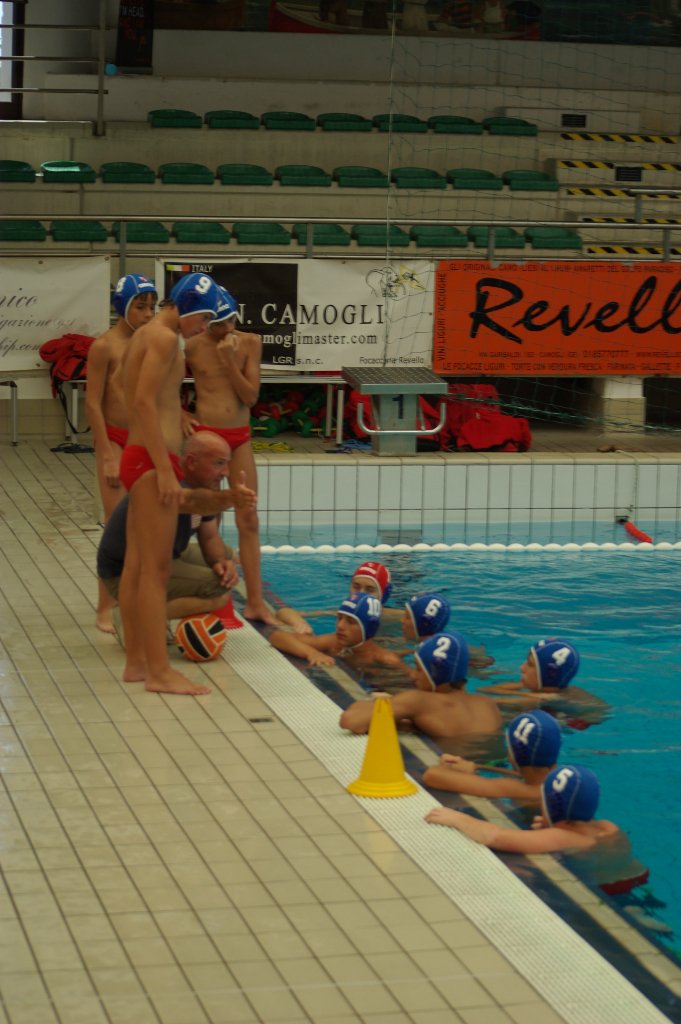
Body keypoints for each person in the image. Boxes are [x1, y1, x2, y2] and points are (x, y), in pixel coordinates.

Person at [117, 271, 222, 696]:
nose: (204, 328)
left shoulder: (145, 335)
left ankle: (136, 663)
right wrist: (164, 468)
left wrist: (174, 416)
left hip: (140, 454)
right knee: (155, 571)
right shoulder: (162, 338)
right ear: (188, 308)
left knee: (136, 565)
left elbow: (139, 393)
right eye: (204, 318)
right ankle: (159, 673)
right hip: (150, 461)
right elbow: (142, 401)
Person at [183, 286, 276, 625]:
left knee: (248, 518)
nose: (226, 329)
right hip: (207, 438)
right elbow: (162, 384)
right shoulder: (192, 345)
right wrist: (179, 413)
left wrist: (229, 363)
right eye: (218, 324)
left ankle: (255, 602)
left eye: (231, 321)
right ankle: (214, 599)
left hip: (238, 439)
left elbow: (250, 397)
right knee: (208, 524)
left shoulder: (250, 343)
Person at [98, 431, 254, 625]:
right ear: (191, 462)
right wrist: (232, 498)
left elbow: (210, 537)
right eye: (219, 463)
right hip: (122, 573)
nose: (226, 472)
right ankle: (131, 618)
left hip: (165, 555)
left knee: (229, 555)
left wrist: (220, 562)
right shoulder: (171, 486)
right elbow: (191, 502)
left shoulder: (203, 487)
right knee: (217, 589)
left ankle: (144, 612)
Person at [85, 273, 158, 633]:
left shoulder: (150, 343)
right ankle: (105, 606)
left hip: (142, 439)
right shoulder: (104, 346)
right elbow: (92, 403)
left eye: (151, 307)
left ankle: (133, 601)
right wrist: (106, 454)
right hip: (114, 440)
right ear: (122, 307)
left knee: (145, 529)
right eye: (140, 307)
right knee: (117, 528)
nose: (148, 314)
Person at [339, 631, 501, 738]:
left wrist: (383, 703)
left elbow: (350, 720)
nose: (412, 675)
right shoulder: (488, 704)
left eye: (418, 669)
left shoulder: (419, 700)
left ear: (435, 675)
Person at [422, 709, 560, 804]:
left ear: (514, 755)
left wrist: (468, 775)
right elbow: (522, 774)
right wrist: (475, 767)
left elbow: (432, 775)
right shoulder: (555, 779)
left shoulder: (517, 789)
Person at [476, 638, 610, 726]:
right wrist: (529, 693)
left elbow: (487, 702)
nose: (522, 667)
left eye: (530, 664)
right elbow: (483, 690)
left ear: (548, 675)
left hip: (567, 719)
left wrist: (534, 697)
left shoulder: (544, 699)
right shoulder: (545, 691)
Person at [269, 592, 404, 671]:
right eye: (339, 618)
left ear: (369, 628)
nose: (340, 625)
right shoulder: (335, 642)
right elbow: (277, 637)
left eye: (350, 622)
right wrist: (313, 653)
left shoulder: (386, 660)